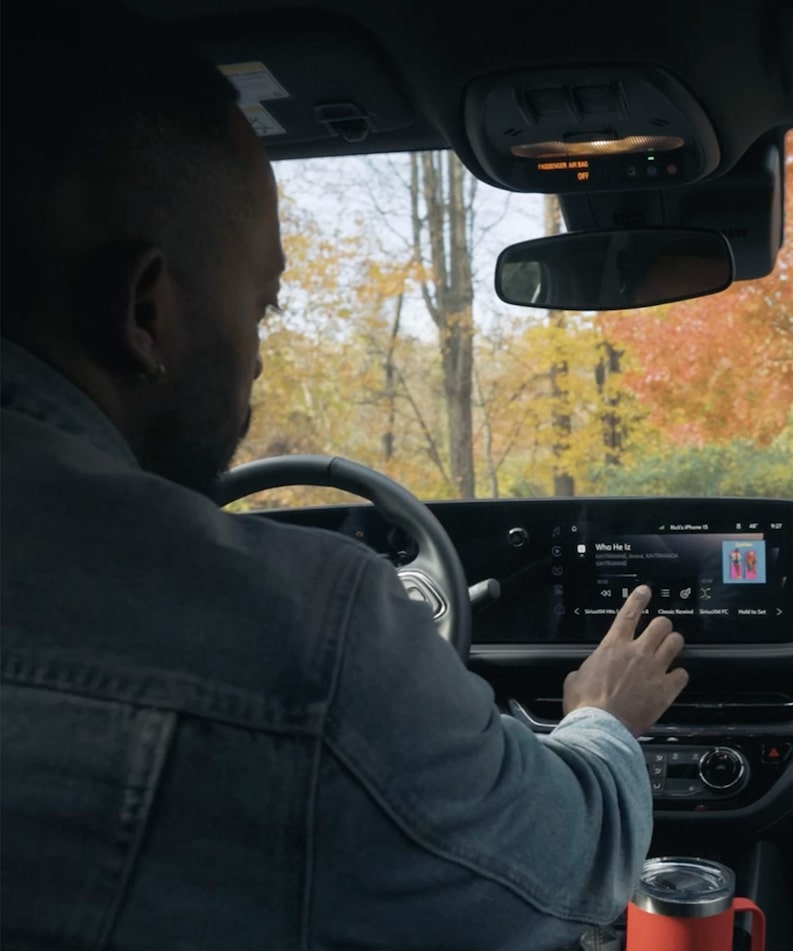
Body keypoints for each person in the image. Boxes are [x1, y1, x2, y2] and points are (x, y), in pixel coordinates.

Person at [0, 6, 688, 950]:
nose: (257, 359)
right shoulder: (303, 638)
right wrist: (602, 717)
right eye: (261, 307)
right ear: (143, 311)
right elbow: (565, 873)